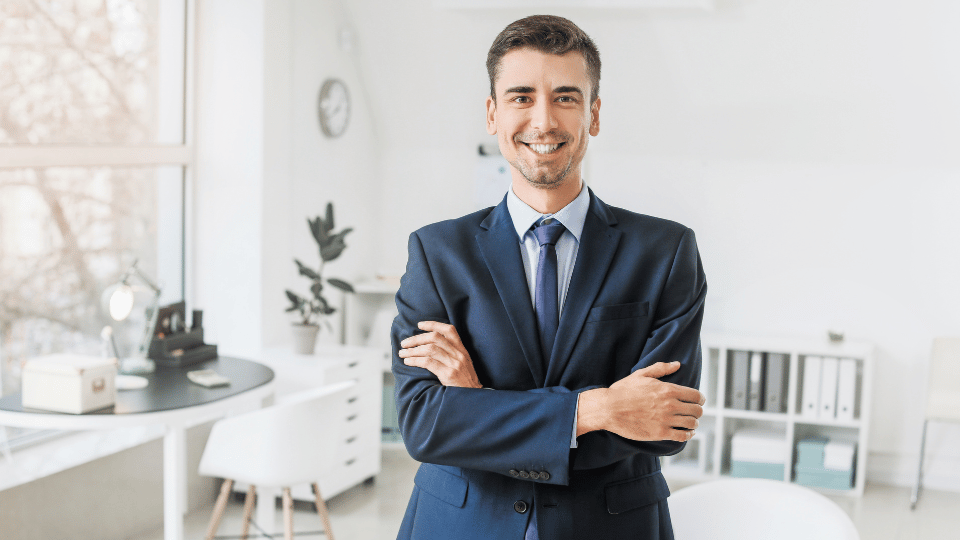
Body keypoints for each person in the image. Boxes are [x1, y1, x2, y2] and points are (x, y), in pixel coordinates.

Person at [391, 15, 706, 540]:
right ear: (492, 114)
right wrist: (600, 407)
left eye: (565, 97)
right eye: (520, 97)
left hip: (609, 526)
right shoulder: (436, 252)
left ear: (594, 114)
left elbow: (663, 428)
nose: (544, 121)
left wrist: (476, 406)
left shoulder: (666, 251)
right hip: (461, 523)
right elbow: (425, 424)